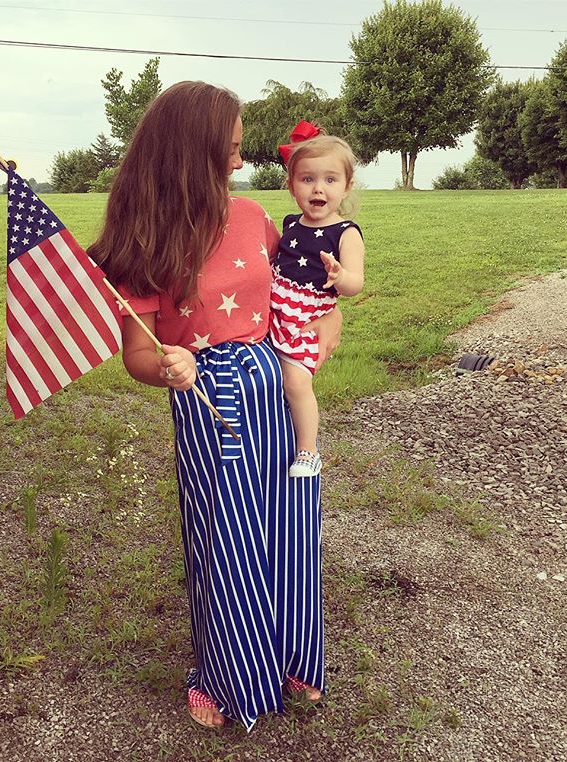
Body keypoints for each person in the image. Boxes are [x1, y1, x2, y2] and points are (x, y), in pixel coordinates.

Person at [88, 82, 342, 731]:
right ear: (192, 152)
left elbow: (300, 284)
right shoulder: (147, 236)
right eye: (228, 150)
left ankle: (290, 654)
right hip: (206, 397)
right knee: (226, 540)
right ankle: (226, 676)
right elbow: (139, 357)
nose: (238, 162)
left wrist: (327, 313)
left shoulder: (254, 215)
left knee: (287, 525)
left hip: (273, 386)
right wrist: (170, 366)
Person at [269, 122, 365, 477]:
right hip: (275, 313)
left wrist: (341, 278)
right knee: (270, 381)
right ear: (292, 185)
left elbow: (356, 282)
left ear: (346, 185)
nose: (318, 188)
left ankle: (308, 449)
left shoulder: (345, 233)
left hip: (306, 322)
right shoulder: (291, 223)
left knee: (296, 382)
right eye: (307, 179)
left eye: (329, 179)